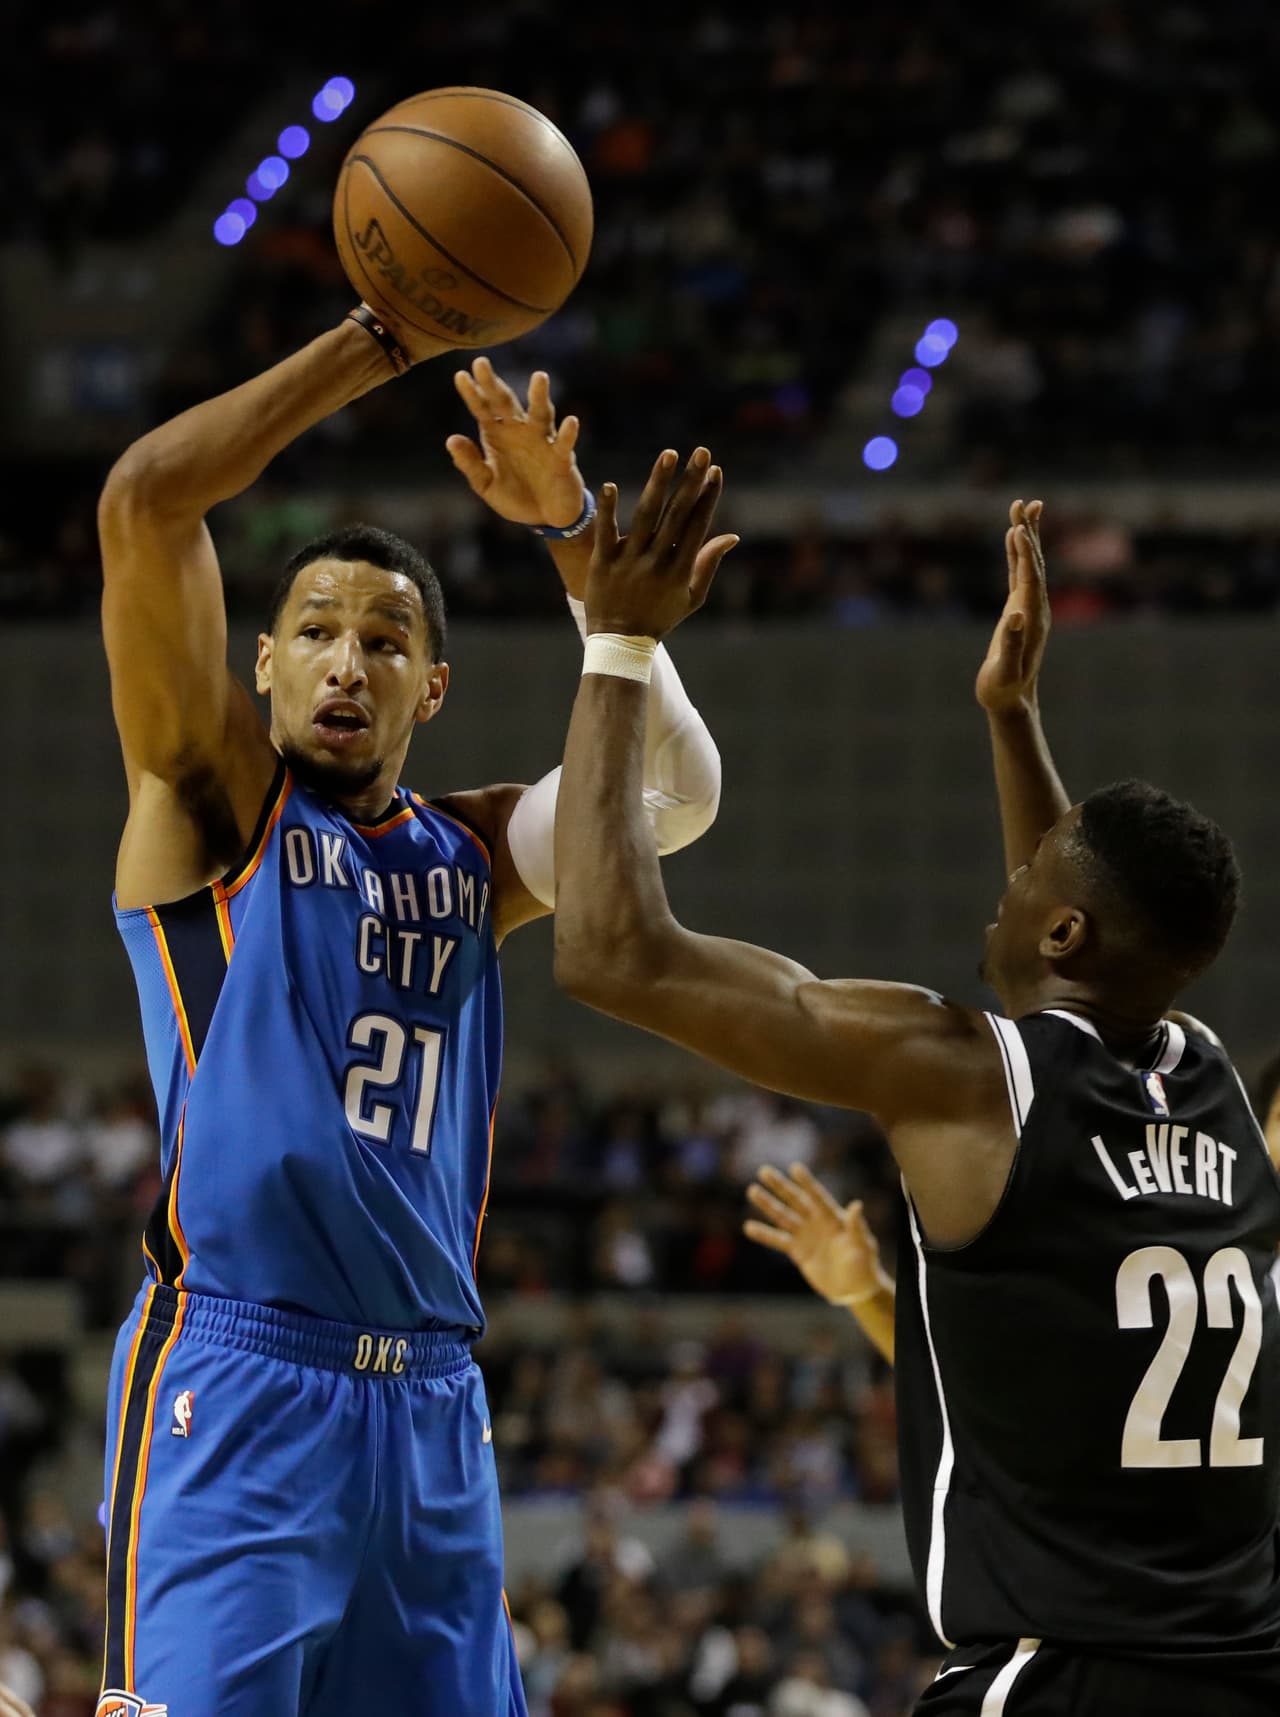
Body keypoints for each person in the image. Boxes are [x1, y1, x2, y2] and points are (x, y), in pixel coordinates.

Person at [552, 468, 1280, 1716]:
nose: (1003, 886)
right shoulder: (1205, 1078)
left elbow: (611, 953)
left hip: (1056, 1680)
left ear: (1060, 931)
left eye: (1027, 880)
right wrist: (1010, 716)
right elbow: (1080, 944)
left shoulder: (961, 1075)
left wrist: (617, 644)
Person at [95, 307, 723, 1717]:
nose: (345, 661)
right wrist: (381, 338)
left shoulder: (473, 853)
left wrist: (577, 539)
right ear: (263, 663)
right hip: (240, 1378)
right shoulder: (209, 807)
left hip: (432, 1404)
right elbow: (144, 501)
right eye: (315, 631)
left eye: (384, 642)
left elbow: (677, 796)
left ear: (430, 688)